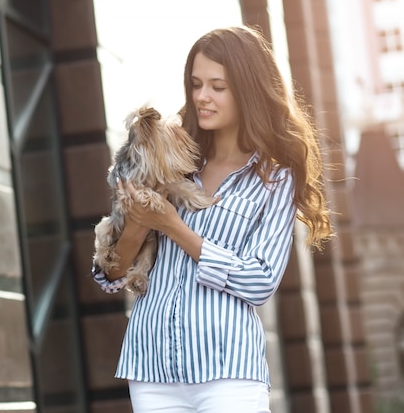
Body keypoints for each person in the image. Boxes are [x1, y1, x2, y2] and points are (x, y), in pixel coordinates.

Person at [92, 25, 333, 413]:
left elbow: (259, 281)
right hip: (152, 369)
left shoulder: (274, 177)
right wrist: (138, 223)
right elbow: (110, 276)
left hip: (228, 371)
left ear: (247, 89)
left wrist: (174, 225)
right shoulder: (169, 161)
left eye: (217, 87)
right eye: (196, 84)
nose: (202, 97)